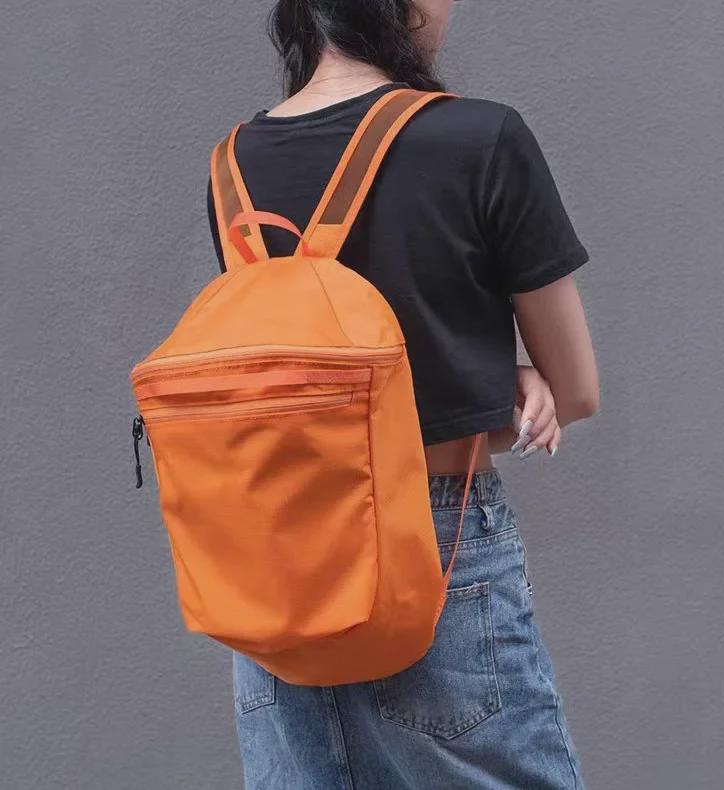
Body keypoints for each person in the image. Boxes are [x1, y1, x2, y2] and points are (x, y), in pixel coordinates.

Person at [207, 1, 599, 787]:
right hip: (436, 544)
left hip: (275, 562)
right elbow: (577, 391)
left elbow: (303, 393)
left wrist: (488, 374)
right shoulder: (481, 138)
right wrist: (504, 375)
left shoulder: (233, 165)